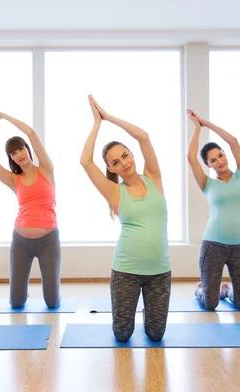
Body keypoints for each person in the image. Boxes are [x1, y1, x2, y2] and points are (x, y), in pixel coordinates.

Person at [80, 95, 171, 342]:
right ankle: (132, 315)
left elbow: (143, 136)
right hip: (126, 271)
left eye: (125, 155)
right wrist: (96, 124)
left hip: (159, 271)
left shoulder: (153, 178)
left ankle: (147, 313)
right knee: (122, 334)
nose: (124, 163)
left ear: (132, 154)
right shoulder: (114, 192)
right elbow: (85, 162)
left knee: (156, 334)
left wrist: (108, 117)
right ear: (112, 169)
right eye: (116, 162)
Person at [0, 104, 61, 309]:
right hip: (21, 242)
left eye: (20, 149)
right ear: (11, 158)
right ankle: (21, 293)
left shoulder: (46, 170)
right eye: (13, 153)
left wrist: (4, 116)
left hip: (49, 241)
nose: (19, 154)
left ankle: (52, 292)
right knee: (16, 303)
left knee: (52, 303)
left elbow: (32, 133)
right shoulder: (12, 179)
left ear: (27, 149)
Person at [186, 109, 240, 311]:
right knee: (210, 303)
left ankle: (224, 291)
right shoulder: (208, 184)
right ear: (208, 165)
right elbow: (191, 157)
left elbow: (233, 141)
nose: (219, 161)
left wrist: (206, 123)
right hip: (213, 246)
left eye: (220, 155)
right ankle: (202, 291)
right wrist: (197, 129)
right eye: (213, 160)